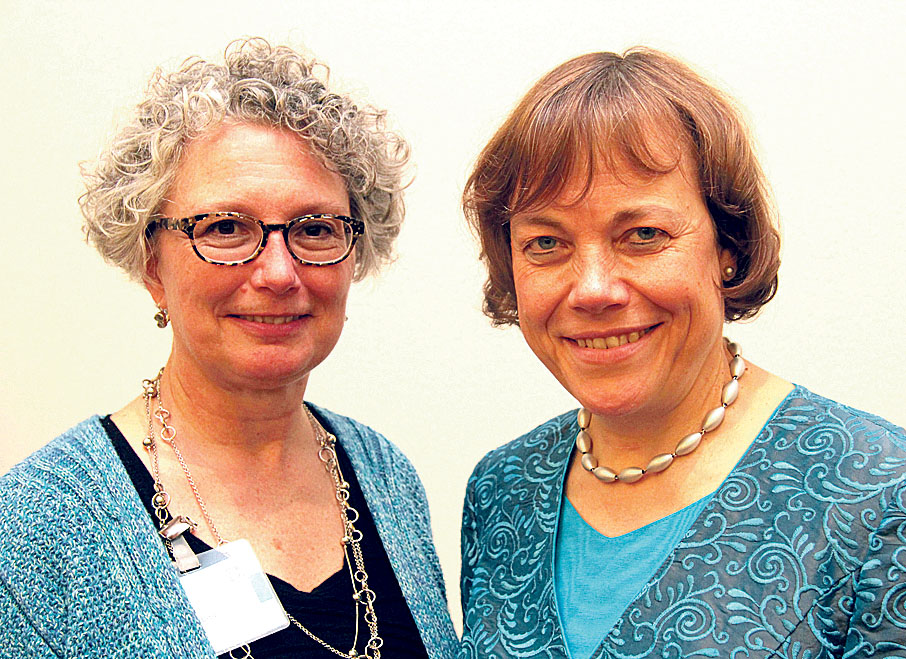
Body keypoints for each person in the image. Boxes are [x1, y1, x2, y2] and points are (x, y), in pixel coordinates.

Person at [0, 38, 457, 659]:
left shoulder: (385, 475)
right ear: (151, 263)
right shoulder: (40, 521)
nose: (278, 273)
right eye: (225, 227)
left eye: (316, 229)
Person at [459, 48, 906, 658]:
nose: (593, 289)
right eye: (545, 242)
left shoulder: (877, 492)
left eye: (644, 235)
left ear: (728, 245)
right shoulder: (502, 489)